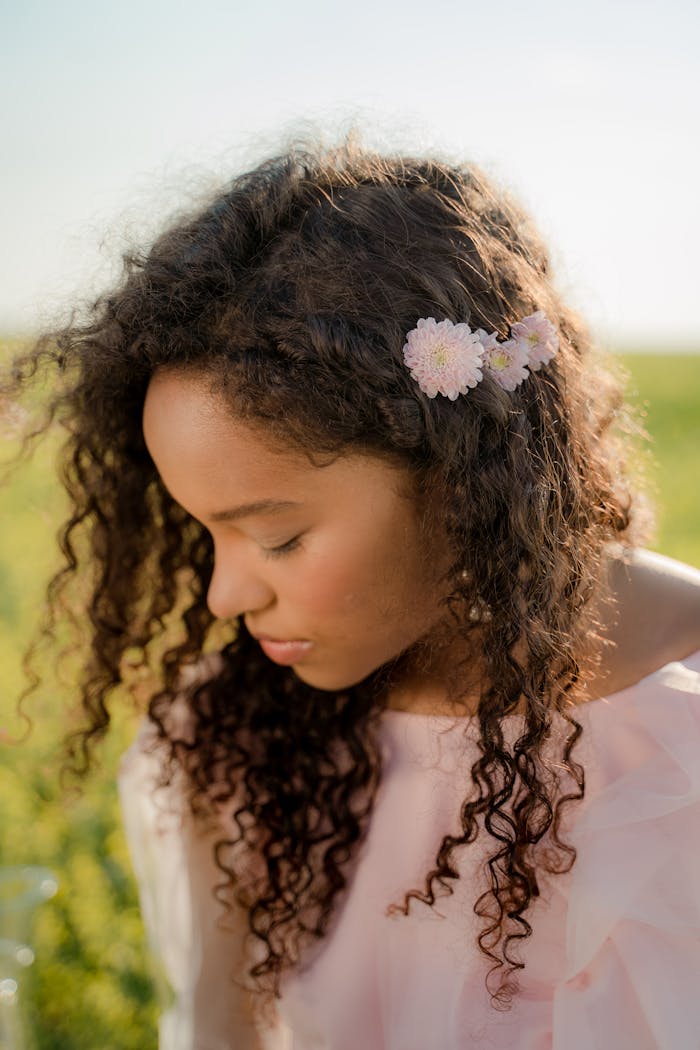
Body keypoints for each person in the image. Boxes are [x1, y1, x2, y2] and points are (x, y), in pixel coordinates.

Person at [5, 140, 700, 1049]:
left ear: (460, 474)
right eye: (203, 531)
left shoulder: (677, 732)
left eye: (280, 537)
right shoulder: (232, 737)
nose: (222, 596)